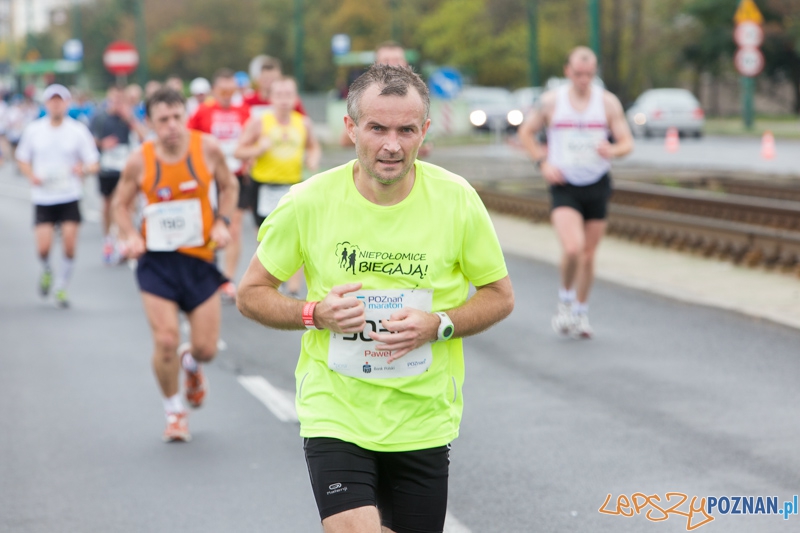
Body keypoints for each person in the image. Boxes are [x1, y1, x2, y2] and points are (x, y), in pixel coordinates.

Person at [236, 64, 514, 533]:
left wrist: (439, 324)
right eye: (377, 128)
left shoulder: (457, 200)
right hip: (336, 411)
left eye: (407, 130)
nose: (392, 145)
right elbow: (251, 293)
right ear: (350, 128)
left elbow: (499, 295)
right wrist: (314, 313)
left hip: (422, 416)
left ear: (424, 131)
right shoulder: (309, 201)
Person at [112, 87, 238, 442]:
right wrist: (129, 236)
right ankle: (174, 412)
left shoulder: (207, 148)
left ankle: (191, 362)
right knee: (165, 339)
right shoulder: (139, 160)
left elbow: (229, 187)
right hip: (157, 263)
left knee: (207, 349)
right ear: (151, 123)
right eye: (163, 119)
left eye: (177, 117)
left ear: (186, 116)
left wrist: (222, 223)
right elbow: (120, 205)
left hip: (199, 260)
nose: (171, 125)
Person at [518, 46, 633, 338]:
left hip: (597, 182)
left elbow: (627, 143)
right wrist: (542, 163)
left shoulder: (607, 103)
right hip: (564, 184)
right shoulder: (551, 102)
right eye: (579, 74)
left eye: (589, 74)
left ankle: (581, 312)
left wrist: (612, 150)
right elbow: (526, 132)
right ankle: (565, 302)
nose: (583, 80)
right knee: (572, 248)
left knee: (589, 255)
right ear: (568, 71)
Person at [234, 76, 320, 298]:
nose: (284, 100)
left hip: (293, 186)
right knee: (266, 238)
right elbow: (238, 151)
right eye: (279, 95)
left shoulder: (303, 123)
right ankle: (269, 284)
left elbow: (313, 146)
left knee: (298, 237)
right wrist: (257, 150)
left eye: (288, 94)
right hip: (263, 186)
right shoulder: (259, 123)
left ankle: (293, 289)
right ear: (271, 98)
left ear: (295, 98)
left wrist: (312, 159)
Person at [15, 84, 100, 308]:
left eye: (60, 100)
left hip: (69, 194)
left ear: (67, 103)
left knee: (69, 246)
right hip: (44, 196)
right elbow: (22, 158)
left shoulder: (77, 131)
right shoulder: (34, 130)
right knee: (43, 248)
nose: (56, 104)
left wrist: (83, 169)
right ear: (46, 104)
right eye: (52, 100)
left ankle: (61, 286)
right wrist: (31, 175)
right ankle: (47, 270)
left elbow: (93, 162)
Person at [188, 68, 251, 302]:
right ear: (214, 90)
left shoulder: (243, 111)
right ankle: (208, 271)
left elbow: (252, 138)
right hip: (210, 179)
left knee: (233, 227)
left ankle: (227, 278)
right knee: (209, 227)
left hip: (236, 178)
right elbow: (189, 141)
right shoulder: (202, 111)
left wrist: (250, 160)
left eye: (230, 90)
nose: (226, 94)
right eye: (222, 90)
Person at [339, 42, 432, 157]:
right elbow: (345, 140)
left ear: (406, 63)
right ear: (375, 65)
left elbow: (426, 142)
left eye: (397, 60)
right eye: (386, 60)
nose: (392, 65)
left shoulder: (416, 96)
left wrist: (423, 143)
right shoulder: (365, 96)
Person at [91, 85, 147, 264]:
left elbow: (144, 137)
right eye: (114, 100)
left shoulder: (129, 118)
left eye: (120, 100)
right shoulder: (100, 117)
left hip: (125, 168)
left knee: (124, 203)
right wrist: (102, 144)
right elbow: (90, 140)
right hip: (107, 167)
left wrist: (129, 119)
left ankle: (123, 240)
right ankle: (108, 238)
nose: (117, 103)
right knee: (108, 204)